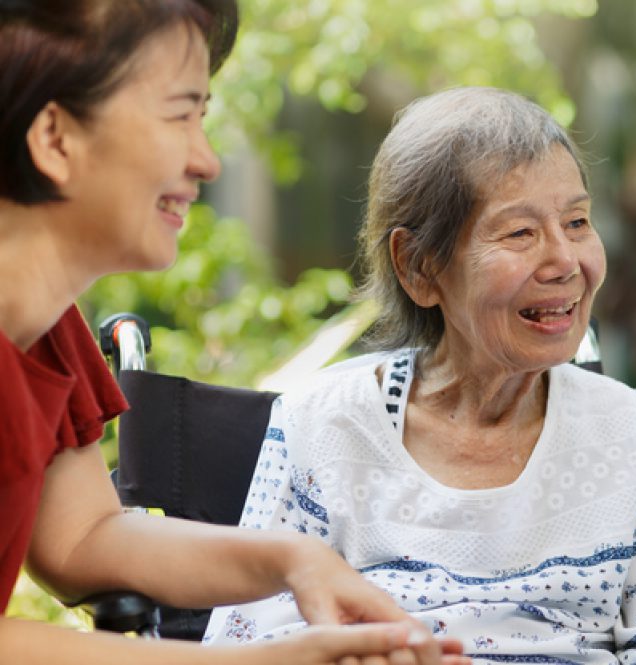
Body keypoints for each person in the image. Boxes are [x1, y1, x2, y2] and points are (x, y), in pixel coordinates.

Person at [0, 2, 468, 663]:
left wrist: (297, 559)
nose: (207, 160)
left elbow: (82, 538)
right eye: (180, 115)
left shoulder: (49, 328)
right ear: (54, 137)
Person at [202, 86, 636, 663]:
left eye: (576, 221)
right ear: (419, 268)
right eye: (520, 233)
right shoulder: (322, 424)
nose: (566, 261)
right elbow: (247, 639)